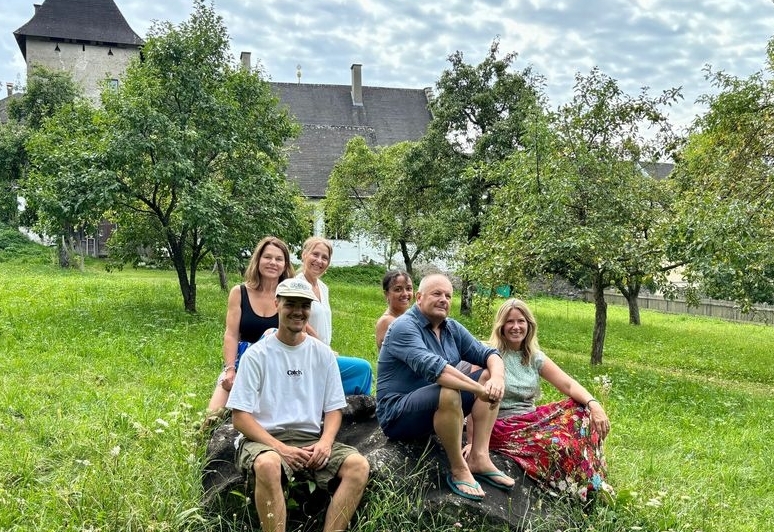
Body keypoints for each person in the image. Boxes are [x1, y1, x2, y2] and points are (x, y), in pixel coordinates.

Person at [227, 277, 370, 532]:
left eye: (304, 306)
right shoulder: (257, 355)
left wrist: (325, 443)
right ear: (277, 305)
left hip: (311, 439)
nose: (298, 311)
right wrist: (281, 448)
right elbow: (240, 417)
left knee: (358, 466)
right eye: (291, 304)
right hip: (265, 439)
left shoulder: (322, 354)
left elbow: (334, 409)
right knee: (269, 463)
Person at [376, 273, 516, 501]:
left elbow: (488, 353)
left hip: (435, 407)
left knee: (488, 374)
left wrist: (497, 379)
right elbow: (436, 369)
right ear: (419, 298)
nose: (444, 299)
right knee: (450, 389)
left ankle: (479, 457)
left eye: (448, 295)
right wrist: (480, 391)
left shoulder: (450, 327)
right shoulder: (403, 327)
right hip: (398, 415)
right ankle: (459, 468)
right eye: (437, 294)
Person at [467, 298, 612, 501]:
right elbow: (473, 398)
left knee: (581, 411)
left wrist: (594, 404)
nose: (516, 327)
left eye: (521, 321)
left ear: (529, 325)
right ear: (501, 325)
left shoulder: (534, 356)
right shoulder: (487, 353)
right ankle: (572, 490)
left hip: (531, 419)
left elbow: (568, 385)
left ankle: (594, 483)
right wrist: (472, 442)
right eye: (510, 322)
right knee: (558, 444)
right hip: (501, 425)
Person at [207, 237, 295, 413]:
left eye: (279, 259)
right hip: (243, 361)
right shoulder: (239, 292)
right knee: (212, 417)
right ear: (258, 260)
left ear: (285, 265)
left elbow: (302, 328)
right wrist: (230, 370)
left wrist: (324, 348)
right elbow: (231, 334)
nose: (273, 263)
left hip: (276, 365)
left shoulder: (290, 295)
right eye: (267, 257)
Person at [296, 236, 372, 395]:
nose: (319, 261)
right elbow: (301, 326)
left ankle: (352, 412)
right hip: (305, 354)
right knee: (363, 369)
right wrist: (325, 350)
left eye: (325, 257)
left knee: (360, 372)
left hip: (323, 354)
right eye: (315, 254)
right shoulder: (297, 285)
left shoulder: (323, 287)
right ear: (304, 255)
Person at [374, 269, 414, 350]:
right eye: (398, 289)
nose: (405, 294)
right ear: (386, 294)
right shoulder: (387, 322)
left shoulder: (408, 317)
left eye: (409, 289)